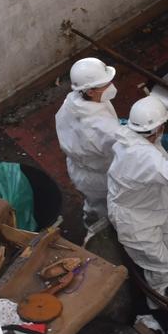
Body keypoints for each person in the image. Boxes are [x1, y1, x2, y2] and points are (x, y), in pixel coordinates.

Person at [107, 96, 168, 298]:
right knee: (160, 265)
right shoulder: (139, 154)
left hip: (151, 209)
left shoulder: (133, 136)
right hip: (134, 221)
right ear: (158, 128)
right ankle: (163, 302)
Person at [54, 57, 122, 241]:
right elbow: (122, 150)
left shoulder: (74, 99)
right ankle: (98, 235)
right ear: (91, 91)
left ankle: (91, 221)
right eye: (105, 84)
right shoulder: (99, 128)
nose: (111, 86)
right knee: (103, 207)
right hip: (98, 176)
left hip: (80, 167)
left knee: (93, 203)